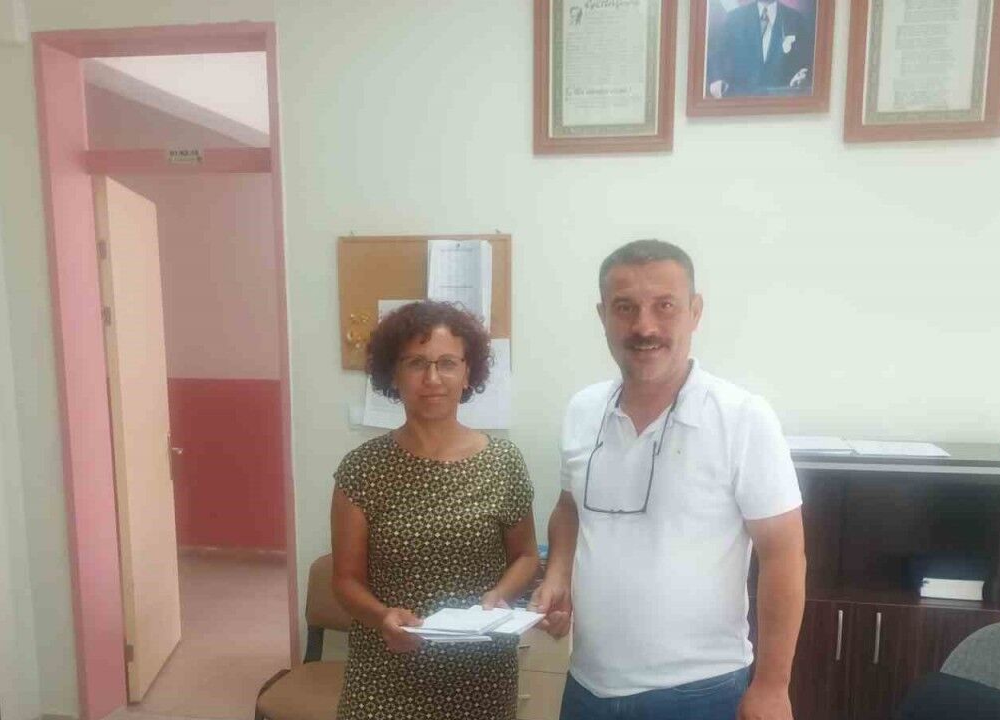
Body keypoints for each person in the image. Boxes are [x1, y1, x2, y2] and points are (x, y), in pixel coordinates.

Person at [530, 240, 807, 720]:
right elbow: (569, 509)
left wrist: (772, 685)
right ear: (602, 315)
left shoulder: (742, 417)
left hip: (700, 692)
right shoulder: (582, 410)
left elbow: (783, 555)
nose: (645, 327)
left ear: (695, 312)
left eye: (665, 306)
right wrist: (558, 575)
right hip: (587, 686)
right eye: (625, 307)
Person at [331, 301, 539, 720]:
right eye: (415, 363)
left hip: (480, 671)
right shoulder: (362, 469)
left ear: (468, 373)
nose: (432, 379)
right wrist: (382, 616)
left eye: (447, 363)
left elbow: (526, 556)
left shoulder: (504, 462)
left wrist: (501, 595)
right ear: (393, 374)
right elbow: (346, 580)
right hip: (388, 668)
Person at [707, 0, 815, 98]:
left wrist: (804, 74)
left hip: (781, 99)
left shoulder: (796, 19)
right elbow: (716, 54)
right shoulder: (735, 18)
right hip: (740, 97)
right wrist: (717, 79)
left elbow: (807, 60)